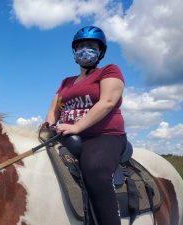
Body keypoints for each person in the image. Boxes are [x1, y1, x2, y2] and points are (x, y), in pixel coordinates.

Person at [43, 26, 126, 225]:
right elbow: (54, 109)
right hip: (66, 135)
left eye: (90, 45)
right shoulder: (66, 82)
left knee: (95, 170)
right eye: (80, 46)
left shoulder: (109, 70)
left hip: (104, 136)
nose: (84, 50)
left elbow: (107, 102)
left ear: (101, 52)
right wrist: (48, 125)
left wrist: (77, 127)